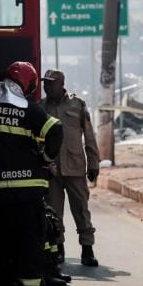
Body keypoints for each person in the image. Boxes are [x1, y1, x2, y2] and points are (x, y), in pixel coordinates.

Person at [0, 61, 62, 286]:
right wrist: (46, 157)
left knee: (3, 238)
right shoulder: (27, 108)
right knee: (30, 238)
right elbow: (56, 130)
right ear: (28, 83)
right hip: (29, 186)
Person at [39, 69, 101, 267]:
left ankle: (87, 249)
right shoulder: (40, 107)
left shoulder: (77, 104)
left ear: (61, 84)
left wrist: (94, 163)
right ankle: (59, 249)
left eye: (50, 83)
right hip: (52, 169)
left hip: (75, 167)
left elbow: (89, 136)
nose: (46, 87)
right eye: (45, 83)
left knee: (81, 210)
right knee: (54, 213)